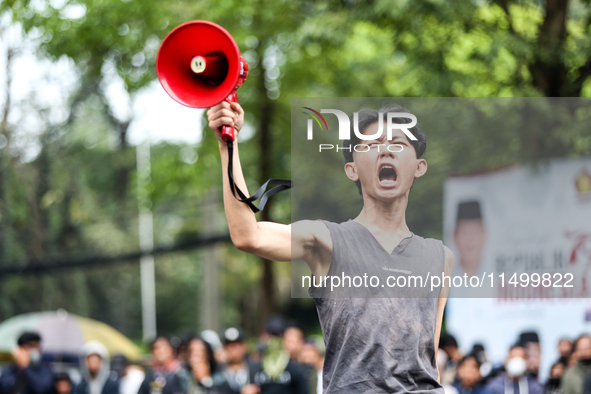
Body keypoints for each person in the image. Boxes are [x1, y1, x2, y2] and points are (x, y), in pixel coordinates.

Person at [207, 100, 453, 393]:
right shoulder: (325, 240)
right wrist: (228, 144)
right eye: (371, 145)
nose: (386, 150)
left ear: (419, 167)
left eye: (398, 143)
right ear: (352, 169)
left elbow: (428, 360)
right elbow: (248, 236)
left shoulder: (440, 257)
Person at [242, 319, 309, 394]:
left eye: (278, 335)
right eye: (271, 335)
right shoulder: (255, 368)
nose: (274, 340)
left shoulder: (295, 369)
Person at [219, 327, 253, 394]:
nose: (234, 349)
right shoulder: (218, 372)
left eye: (237, 344)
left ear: (244, 346)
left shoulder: (255, 370)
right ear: (224, 348)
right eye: (230, 345)